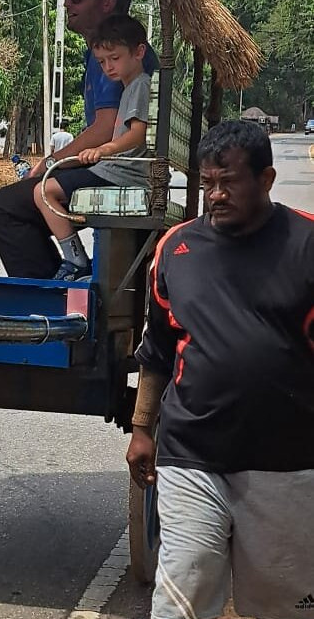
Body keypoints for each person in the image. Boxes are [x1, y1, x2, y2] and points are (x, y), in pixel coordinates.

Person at [127, 119, 314, 619]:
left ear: (267, 179)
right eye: (207, 183)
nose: (215, 195)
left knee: (280, 606)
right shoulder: (175, 249)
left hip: (288, 462)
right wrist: (142, 429)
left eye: (228, 182)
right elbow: (158, 349)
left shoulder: (307, 245)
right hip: (192, 452)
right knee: (183, 592)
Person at [0, 0, 158, 278]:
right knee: (21, 199)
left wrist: (52, 162)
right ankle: (64, 276)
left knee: (0, 207)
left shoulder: (126, 65)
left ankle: (51, 295)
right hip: (108, 165)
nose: (66, 3)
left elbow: (106, 129)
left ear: (107, 2)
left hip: (116, 168)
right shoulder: (111, 57)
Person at [35, 15, 152, 281]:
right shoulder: (131, 87)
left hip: (121, 172)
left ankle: (75, 259)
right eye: (102, 62)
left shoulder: (140, 86)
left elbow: (137, 134)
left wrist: (105, 150)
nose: (108, 67)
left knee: (43, 191)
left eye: (115, 58)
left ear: (139, 52)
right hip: (116, 169)